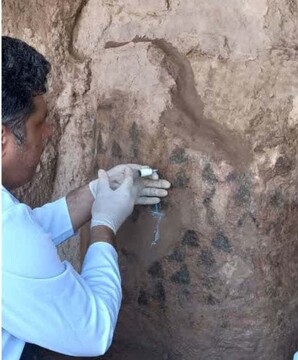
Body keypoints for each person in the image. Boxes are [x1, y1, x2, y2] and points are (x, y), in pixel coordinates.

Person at [2, 36, 171, 359]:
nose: (49, 132)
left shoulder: (10, 230)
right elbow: (93, 332)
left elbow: (23, 236)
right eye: (39, 123)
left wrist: (95, 193)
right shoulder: (9, 236)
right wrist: (104, 225)